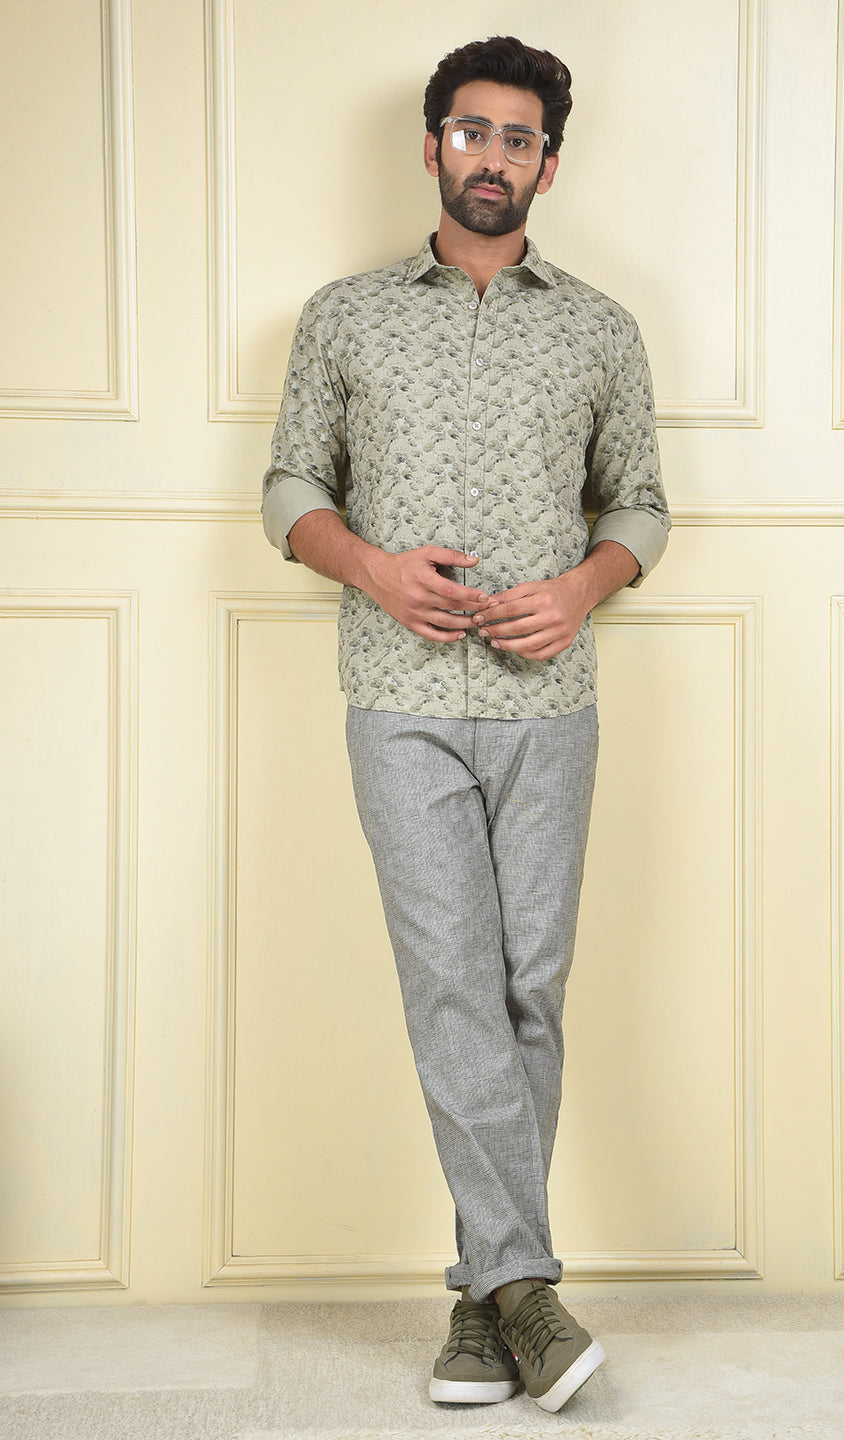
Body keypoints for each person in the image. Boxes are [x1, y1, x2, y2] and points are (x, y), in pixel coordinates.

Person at [261, 35, 669, 1414]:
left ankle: (486, 1302)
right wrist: (373, 569)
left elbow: (641, 506)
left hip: (551, 704)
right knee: (452, 983)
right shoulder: (345, 318)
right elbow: (289, 489)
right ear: (431, 143)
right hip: (401, 698)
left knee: (526, 991)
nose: (493, 155)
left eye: (519, 138)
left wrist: (582, 587)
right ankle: (528, 1288)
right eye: (471, 130)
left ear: (550, 164)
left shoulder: (602, 329)